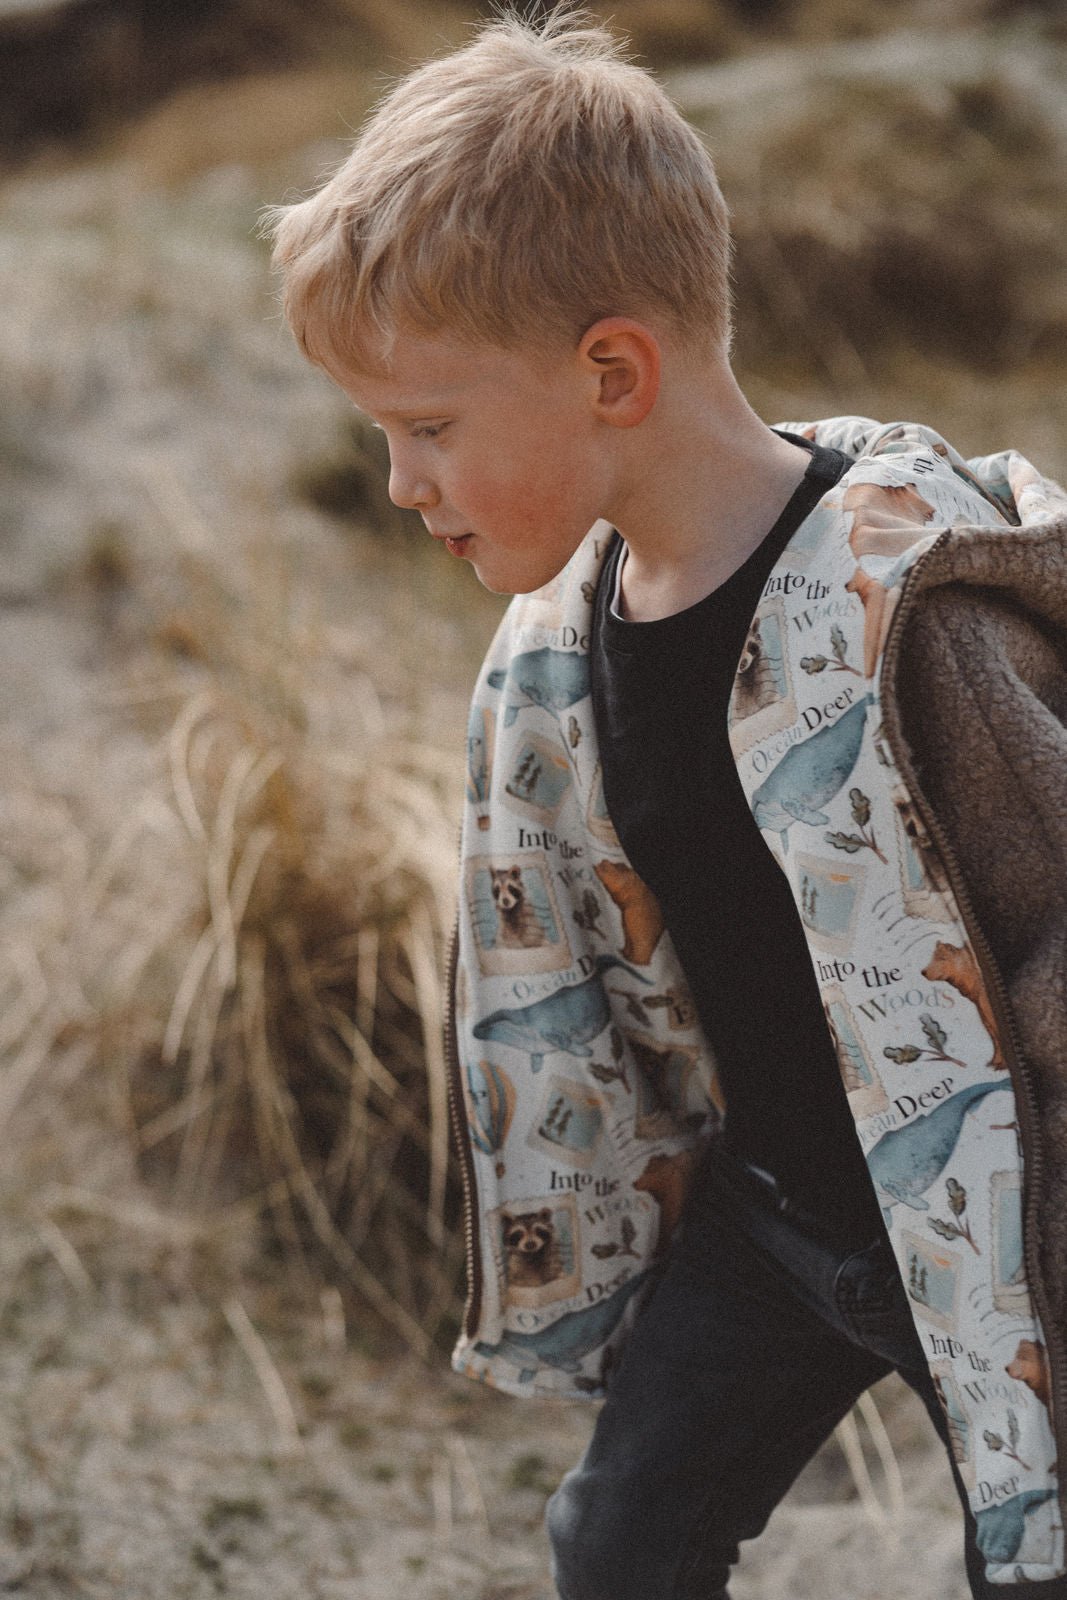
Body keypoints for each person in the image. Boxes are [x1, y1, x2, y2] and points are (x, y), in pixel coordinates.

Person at [264, 9, 1067, 1596]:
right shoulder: (566, 650)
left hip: (993, 1230)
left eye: (430, 427)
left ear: (612, 370)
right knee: (620, 1541)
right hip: (772, 1225)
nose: (403, 482)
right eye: (383, 439)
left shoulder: (912, 613)